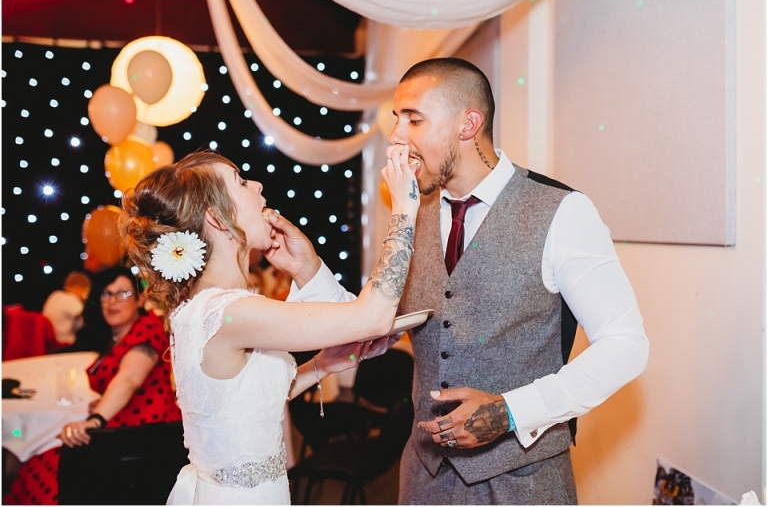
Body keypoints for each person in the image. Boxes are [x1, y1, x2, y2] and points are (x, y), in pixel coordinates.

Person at [271, 58, 650, 505]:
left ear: (468, 124)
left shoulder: (561, 211)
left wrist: (511, 412)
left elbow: (626, 344)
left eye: (414, 119)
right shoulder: (411, 214)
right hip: (423, 476)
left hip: (522, 483)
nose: (396, 136)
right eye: (397, 119)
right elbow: (369, 323)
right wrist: (307, 268)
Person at [121, 148, 420, 505]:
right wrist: (404, 210)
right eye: (242, 182)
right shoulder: (229, 313)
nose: (258, 186)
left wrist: (321, 366)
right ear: (217, 218)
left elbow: (243, 408)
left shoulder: (208, 308)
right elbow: (372, 317)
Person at [6, 266, 181, 506]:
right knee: (38, 454)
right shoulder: (116, 334)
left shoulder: (146, 332)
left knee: (41, 470)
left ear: (140, 299)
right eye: (106, 294)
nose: (113, 301)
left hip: (141, 439)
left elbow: (128, 380)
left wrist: (95, 420)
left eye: (123, 293)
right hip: (120, 425)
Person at [41, 271, 91, 346]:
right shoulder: (72, 299)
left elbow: (78, 325)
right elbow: (87, 321)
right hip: (63, 344)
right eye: (85, 293)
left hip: (48, 343)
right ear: (78, 288)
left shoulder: (55, 295)